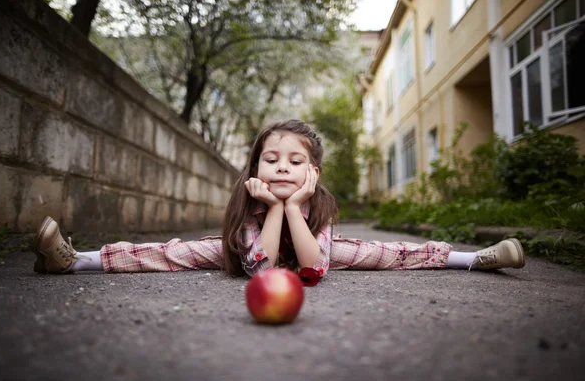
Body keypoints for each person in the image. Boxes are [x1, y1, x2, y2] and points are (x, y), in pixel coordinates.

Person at [31, 119, 525, 286]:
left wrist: (294, 209)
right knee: (169, 251)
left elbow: (313, 270)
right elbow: (260, 270)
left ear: (313, 173)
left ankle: (474, 259)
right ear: (255, 169)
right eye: (271, 159)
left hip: (312, 247)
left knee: (389, 254)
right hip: (246, 253)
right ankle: (75, 263)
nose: (283, 168)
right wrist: (271, 209)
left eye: (295, 161)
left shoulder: (320, 206)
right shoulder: (251, 202)